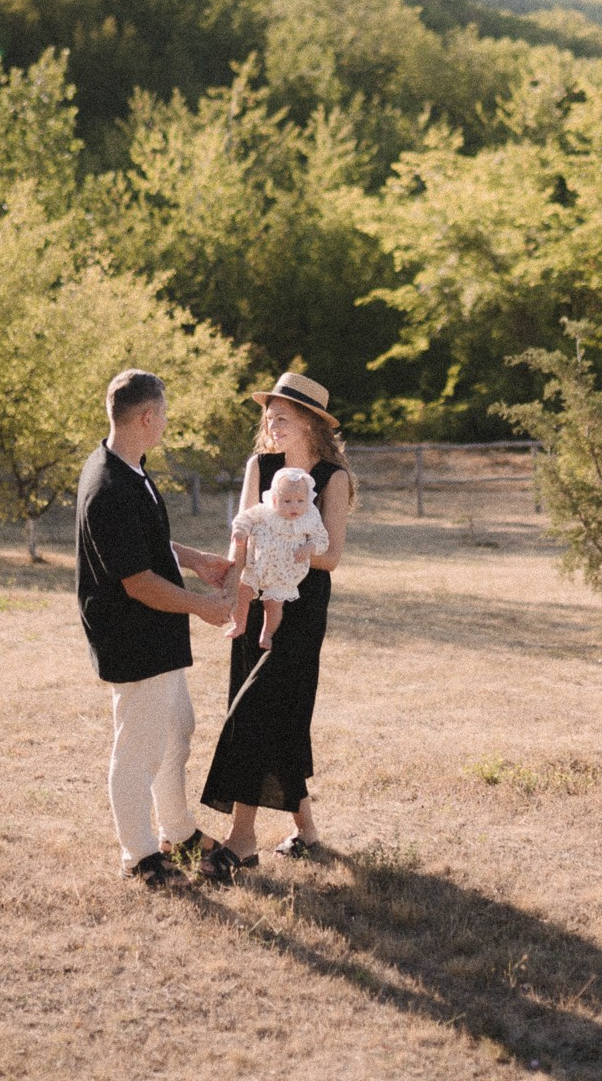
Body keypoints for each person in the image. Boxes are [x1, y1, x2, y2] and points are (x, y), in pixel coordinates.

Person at [74, 368, 236, 886]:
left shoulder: (129, 468)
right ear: (148, 417)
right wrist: (200, 605)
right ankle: (140, 856)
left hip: (156, 634)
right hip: (132, 636)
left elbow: (147, 545)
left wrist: (195, 560)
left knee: (176, 730)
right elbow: (137, 580)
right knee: (138, 748)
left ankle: (179, 831)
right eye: (163, 414)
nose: (165, 423)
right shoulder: (109, 485)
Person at [199, 370, 353, 879]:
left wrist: (289, 549)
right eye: (269, 415)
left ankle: (241, 841)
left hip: (303, 608)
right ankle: (306, 833)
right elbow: (240, 534)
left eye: (282, 416)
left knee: (262, 709)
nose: (272, 422)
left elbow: (330, 557)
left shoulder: (334, 478)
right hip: (254, 599)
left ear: (310, 422)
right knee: (270, 712)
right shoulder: (259, 466)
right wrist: (231, 585)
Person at [225, 466, 327, 650]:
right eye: (287, 501)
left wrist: (309, 547)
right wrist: (240, 530)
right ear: (274, 499)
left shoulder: (310, 518)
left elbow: (322, 539)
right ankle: (239, 623)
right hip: (256, 566)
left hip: (284, 572)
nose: (294, 506)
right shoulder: (264, 511)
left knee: (274, 606)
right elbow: (244, 517)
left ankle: (268, 633)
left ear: (308, 500)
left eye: (300, 501)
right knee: (243, 593)